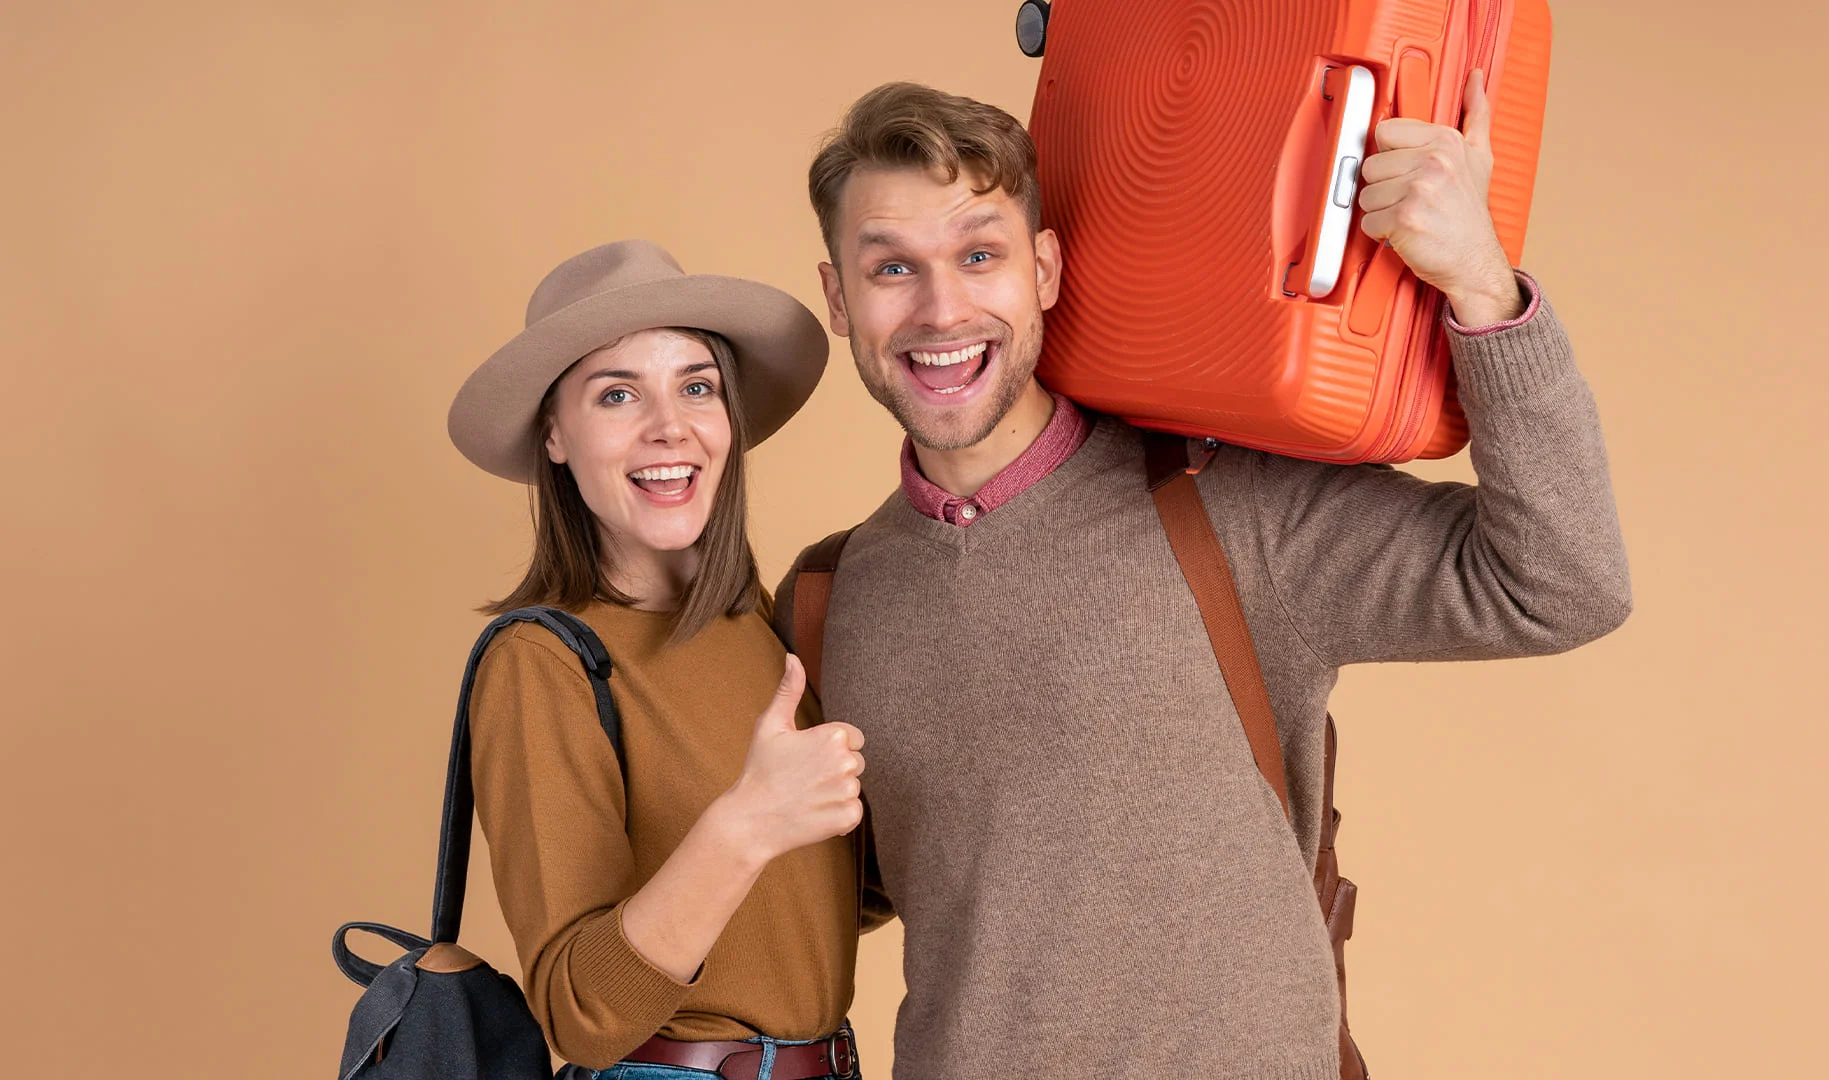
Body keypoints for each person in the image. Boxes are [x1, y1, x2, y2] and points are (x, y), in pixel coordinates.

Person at [773, 79, 1632, 1078]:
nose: (942, 307)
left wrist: (1481, 285)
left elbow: (1565, 581)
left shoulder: (1224, 504)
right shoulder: (834, 599)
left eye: (979, 254)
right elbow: (846, 893)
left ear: (1043, 269)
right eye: (891, 268)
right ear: (839, 300)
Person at [447, 239, 883, 1079]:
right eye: (617, 394)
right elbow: (582, 1012)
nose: (669, 427)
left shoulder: (763, 623)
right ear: (555, 436)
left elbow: (798, 912)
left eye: (696, 385)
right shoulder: (543, 663)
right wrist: (744, 825)